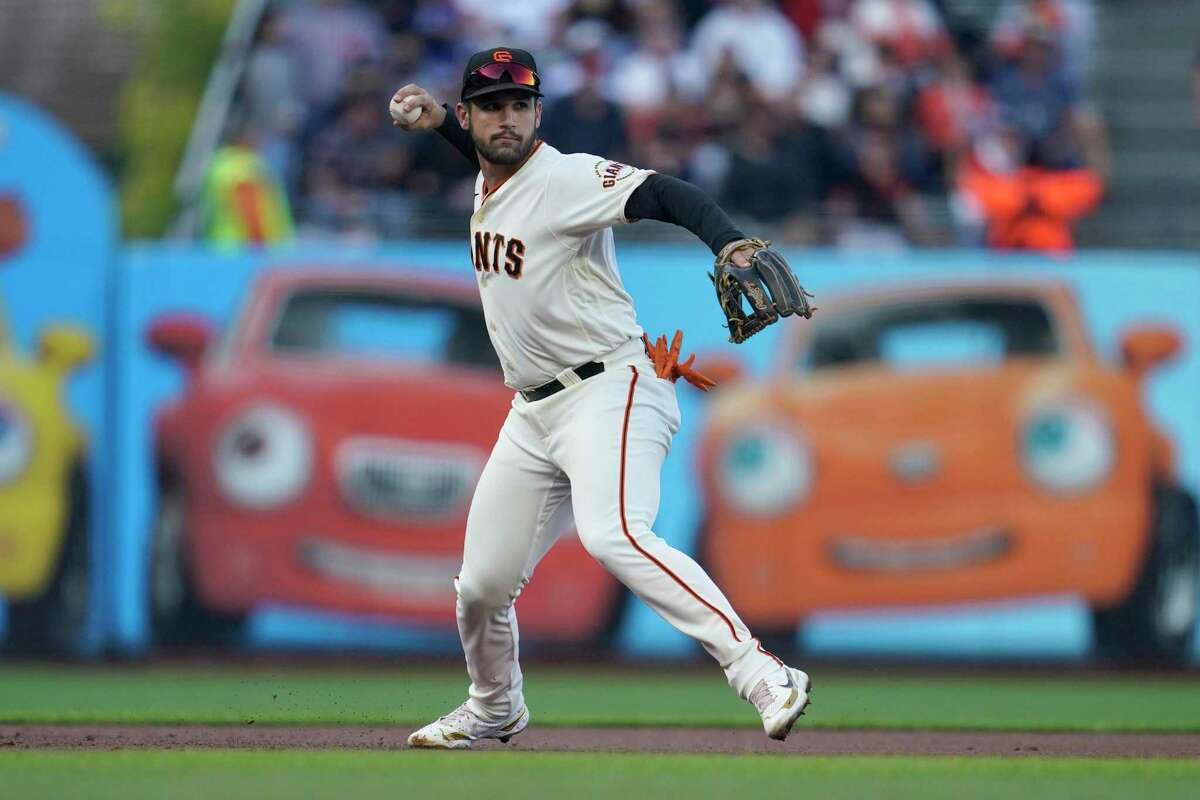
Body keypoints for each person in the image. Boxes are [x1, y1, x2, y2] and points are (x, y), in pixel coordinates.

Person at [389, 47, 812, 749]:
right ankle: (495, 706)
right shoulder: (492, 174)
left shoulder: (567, 177)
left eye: (520, 104)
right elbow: (490, 158)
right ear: (470, 114)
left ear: (537, 113)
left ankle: (761, 670)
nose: (508, 118)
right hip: (533, 412)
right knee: (481, 588)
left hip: (609, 389)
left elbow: (666, 194)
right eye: (491, 106)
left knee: (615, 533)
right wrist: (439, 125)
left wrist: (728, 243)